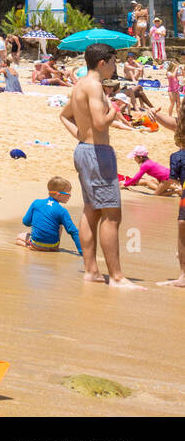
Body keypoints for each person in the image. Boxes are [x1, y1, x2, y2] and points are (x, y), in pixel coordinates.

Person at [58, 42, 144, 289]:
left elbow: (64, 115)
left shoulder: (79, 86)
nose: (115, 66)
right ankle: (116, 277)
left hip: (85, 150)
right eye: (114, 61)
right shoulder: (94, 86)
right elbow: (99, 122)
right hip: (97, 153)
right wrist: (115, 107)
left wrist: (80, 137)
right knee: (111, 214)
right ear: (102, 62)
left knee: (91, 210)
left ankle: (92, 272)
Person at [15, 177, 83, 253]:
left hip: (37, 244)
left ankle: (31, 247)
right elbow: (73, 232)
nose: (70, 196)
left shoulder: (36, 203)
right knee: (60, 225)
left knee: (19, 237)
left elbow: (26, 222)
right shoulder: (62, 211)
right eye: (68, 194)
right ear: (59, 194)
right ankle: (53, 247)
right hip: (53, 246)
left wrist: (38, 220)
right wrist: (81, 251)